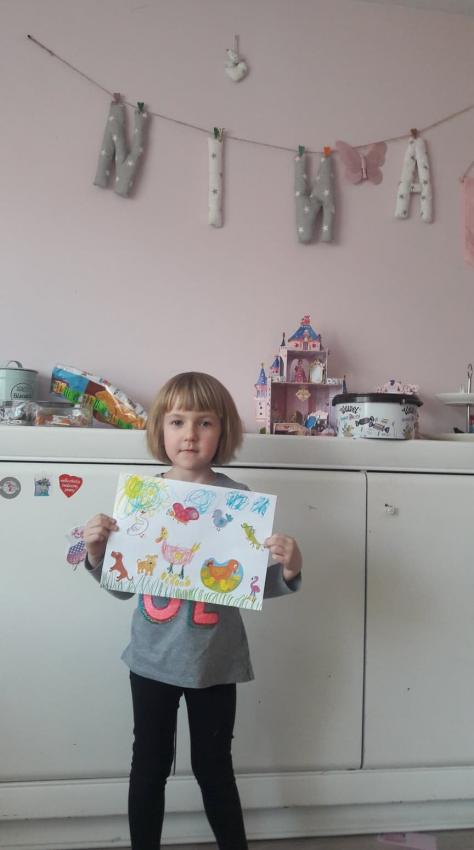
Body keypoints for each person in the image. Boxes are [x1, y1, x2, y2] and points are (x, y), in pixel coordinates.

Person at [83, 371, 302, 850]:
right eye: (178, 421)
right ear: (160, 429)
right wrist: (97, 555)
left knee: (214, 768)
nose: (189, 434)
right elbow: (121, 588)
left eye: (204, 423)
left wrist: (287, 571)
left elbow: (246, 587)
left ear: (223, 432)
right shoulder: (140, 502)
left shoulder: (240, 501)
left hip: (215, 664)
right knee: (149, 767)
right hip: (151, 661)